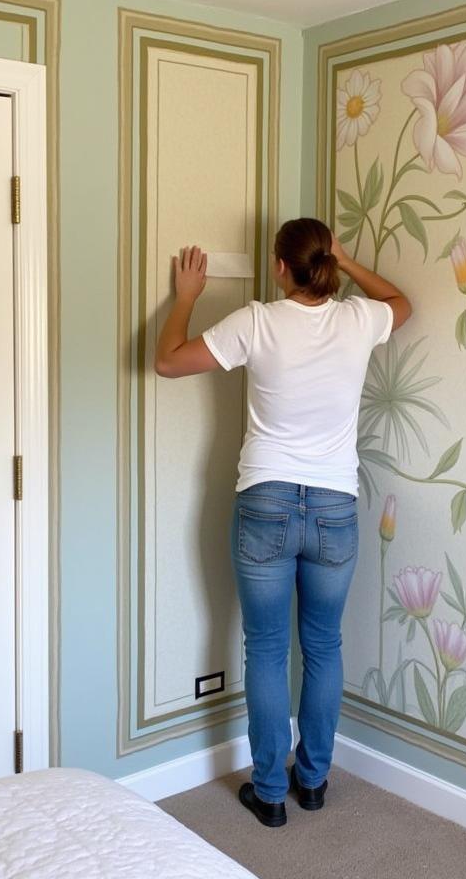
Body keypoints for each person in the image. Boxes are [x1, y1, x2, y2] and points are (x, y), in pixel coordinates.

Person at [154, 217, 411, 828]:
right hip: (334, 509)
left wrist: (186, 297)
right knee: (322, 646)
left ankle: (270, 792)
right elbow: (401, 302)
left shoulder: (257, 321)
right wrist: (347, 263)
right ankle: (314, 781)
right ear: (325, 262)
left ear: (278, 266)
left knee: (266, 649)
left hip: (266, 501)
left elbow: (167, 363)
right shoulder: (357, 321)